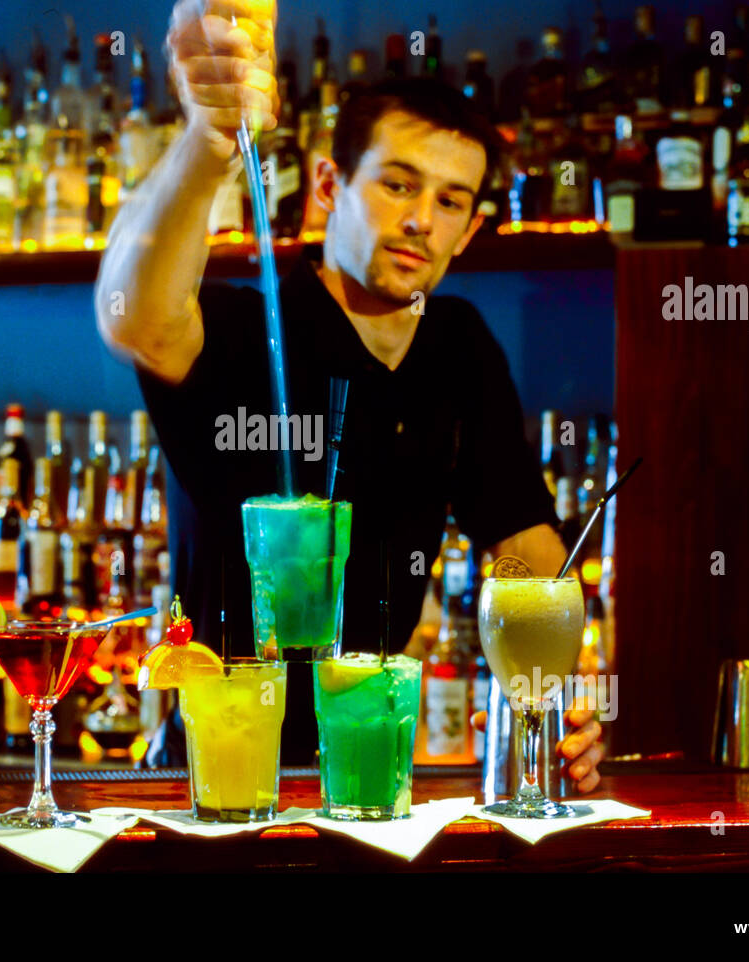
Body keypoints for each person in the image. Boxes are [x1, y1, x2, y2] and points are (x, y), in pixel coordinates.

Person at [95, 0, 604, 793]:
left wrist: (543, 694)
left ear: (470, 229)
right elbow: (135, 317)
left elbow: (524, 548)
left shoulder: (459, 345)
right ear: (329, 184)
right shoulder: (242, 324)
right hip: (216, 765)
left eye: (450, 201)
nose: (421, 222)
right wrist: (206, 143)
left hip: (369, 768)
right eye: (398, 184)